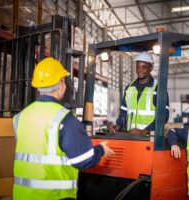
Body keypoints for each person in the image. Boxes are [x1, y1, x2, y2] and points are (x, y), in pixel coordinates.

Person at [12, 57, 114, 200]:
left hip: (22, 195)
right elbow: (84, 160)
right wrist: (101, 150)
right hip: (54, 196)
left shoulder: (20, 117)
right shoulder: (64, 118)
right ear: (61, 84)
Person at [109, 51, 169, 135]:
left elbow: (163, 117)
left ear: (151, 68)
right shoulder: (129, 88)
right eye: (138, 66)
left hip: (150, 138)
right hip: (130, 136)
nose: (140, 70)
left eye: (144, 67)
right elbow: (123, 113)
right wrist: (118, 125)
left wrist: (144, 131)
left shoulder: (158, 89)